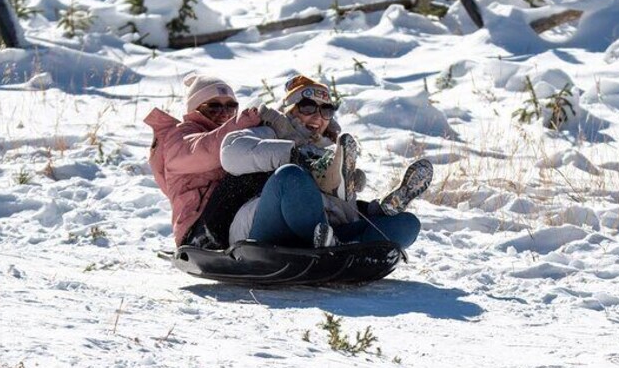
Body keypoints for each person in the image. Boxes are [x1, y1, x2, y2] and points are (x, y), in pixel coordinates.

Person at [220, 74, 433, 249]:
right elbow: (230, 153)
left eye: (326, 110)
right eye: (307, 107)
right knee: (292, 175)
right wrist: (294, 156)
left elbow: (339, 213)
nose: (317, 116)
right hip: (262, 229)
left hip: (323, 234)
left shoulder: (328, 153)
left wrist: (369, 212)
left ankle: (350, 240)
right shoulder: (270, 132)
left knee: (407, 224)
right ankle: (333, 244)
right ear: (290, 109)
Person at [144, 73, 261, 248]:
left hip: (227, 218)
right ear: (196, 109)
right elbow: (204, 150)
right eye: (214, 107)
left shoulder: (231, 133)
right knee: (242, 178)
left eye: (231, 107)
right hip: (197, 230)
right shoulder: (180, 135)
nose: (224, 113)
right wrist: (241, 123)